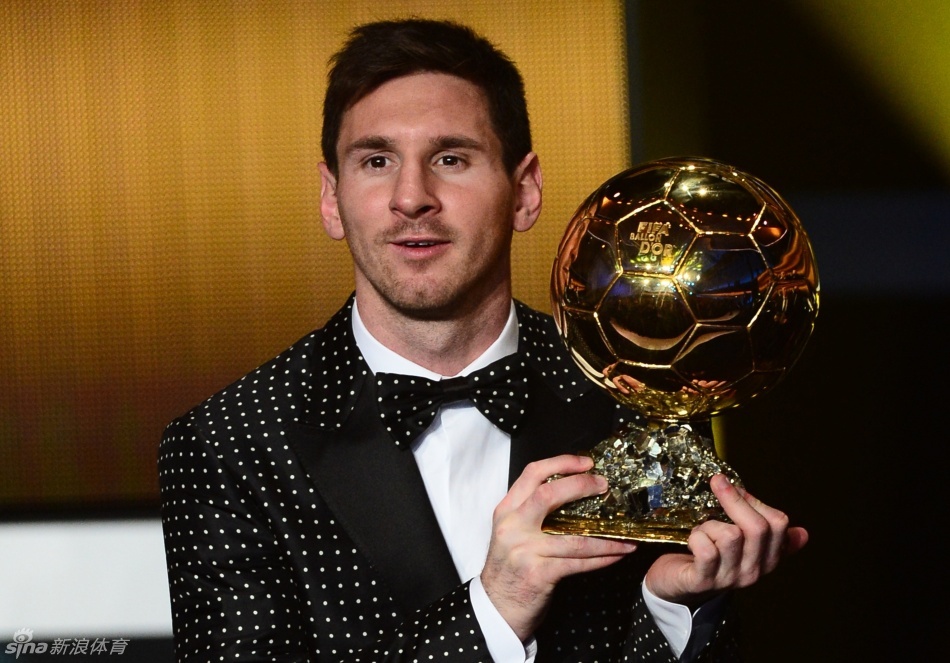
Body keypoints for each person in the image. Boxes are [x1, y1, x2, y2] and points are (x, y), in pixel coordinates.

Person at [158, 18, 808, 662]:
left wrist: (671, 610)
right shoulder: (226, 445)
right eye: (377, 160)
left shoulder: (647, 393)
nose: (412, 197)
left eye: (450, 158)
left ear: (524, 191)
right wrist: (495, 610)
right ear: (333, 197)